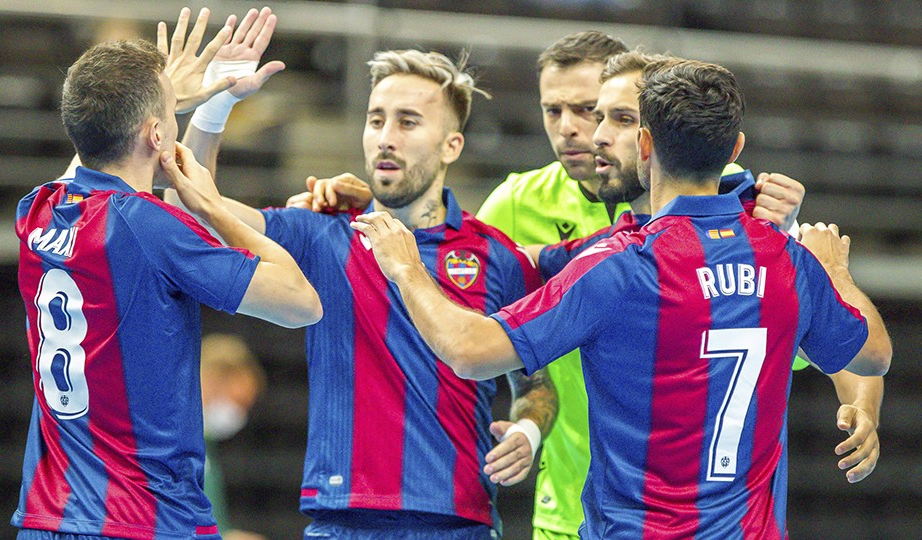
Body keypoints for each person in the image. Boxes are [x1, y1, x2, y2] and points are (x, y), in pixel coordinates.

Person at [299, 41, 884, 538]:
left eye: (612, 118)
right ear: (731, 148)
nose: (586, 133)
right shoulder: (778, 251)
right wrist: (832, 271)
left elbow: (471, 343)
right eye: (564, 112)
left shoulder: (620, 263)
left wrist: (401, 257)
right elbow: (867, 350)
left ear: (648, 141)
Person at [178, 47, 551, 538]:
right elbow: (190, 210)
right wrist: (216, 103)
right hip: (341, 520)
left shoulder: (497, 257)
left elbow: (536, 383)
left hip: (458, 522)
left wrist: (528, 428)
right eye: (376, 120)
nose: (386, 138)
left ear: (452, 145)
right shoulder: (322, 231)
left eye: (408, 122)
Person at [11, 8, 321, 539]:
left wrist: (202, 103)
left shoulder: (38, 210)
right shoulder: (148, 227)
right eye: (171, 114)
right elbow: (302, 303)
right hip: (145, 519)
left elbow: (98, 157)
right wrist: (212, 206)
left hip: (48, 516)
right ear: (156, 132)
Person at [201, 334, 268, 540]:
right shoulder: (171, 444)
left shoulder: (206, 446)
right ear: (211, 380)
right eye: (239, 402)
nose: (240, 414)